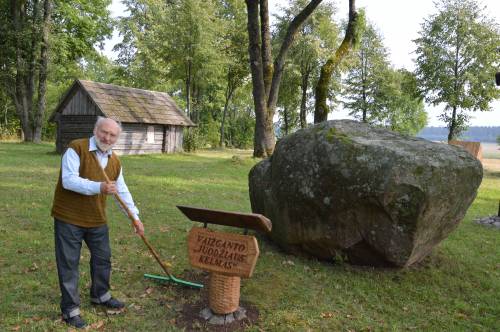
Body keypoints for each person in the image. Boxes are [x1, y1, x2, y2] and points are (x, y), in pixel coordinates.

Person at [51, 117, 145, 329]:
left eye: (112, 135)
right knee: (69, 264)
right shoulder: (77, 148)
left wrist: (135, 217)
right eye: (104, 132)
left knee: (103, 258)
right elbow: (68, 180)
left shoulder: (115, 161)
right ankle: (70, 310)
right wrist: (99, 187)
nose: (107, 137)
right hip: (69, 218)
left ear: (116, 138)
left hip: (96, 218)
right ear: (95, 130)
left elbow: (122, 191)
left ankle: (100, 295)